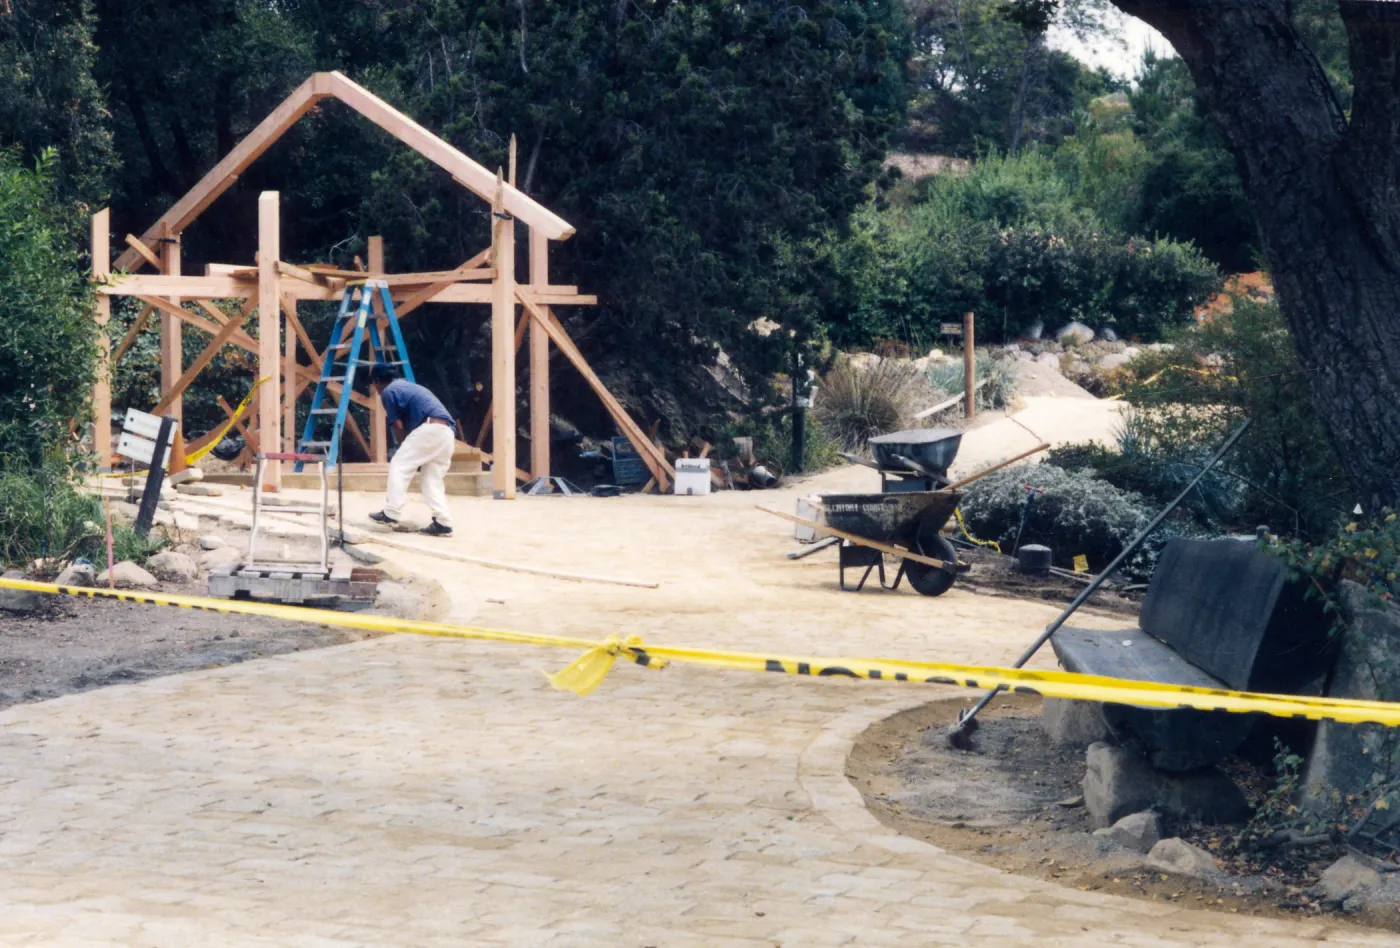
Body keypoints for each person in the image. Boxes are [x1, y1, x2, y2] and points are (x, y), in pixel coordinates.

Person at [367, 364, 455, 537]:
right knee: (431, 479)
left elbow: (397, 425)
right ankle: (443, 522)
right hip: (446, 432)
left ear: (377, 381)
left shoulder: (389, 391)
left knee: (399, 465)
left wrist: (402, 446)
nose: (375, 389)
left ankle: (391, 512)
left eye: (373, 384)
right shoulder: (408, 387)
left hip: (430, 428)